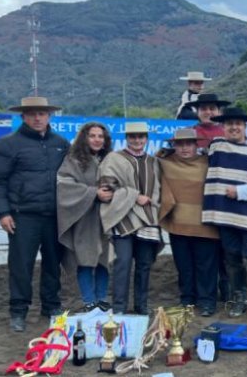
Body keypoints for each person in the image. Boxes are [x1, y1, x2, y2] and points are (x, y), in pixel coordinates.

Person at [0, 96, 70, 332]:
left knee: (53, 264)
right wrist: (3, 212)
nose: (37, 118)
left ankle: (51, 306)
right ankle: (18, 310)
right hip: (22, 215)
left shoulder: (61, 143)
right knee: (21, 265)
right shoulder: (8, 144)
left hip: (55, 216)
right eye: (32, 113)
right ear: (23, 116)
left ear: (49, 116)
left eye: (42, 113)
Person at [202, 108, 247, 322]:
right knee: (232, 260)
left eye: (238, 123)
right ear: (223, 127)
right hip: (225, 216)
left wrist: (241, 192)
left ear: (245, 127)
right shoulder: (215, 147)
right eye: (230, 123)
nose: (234, 127)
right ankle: (239, 298)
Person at [99, 121, 161, 315]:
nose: (137, 140)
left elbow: (158, 189)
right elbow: (107, 186)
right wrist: (134, 196)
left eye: (141, 136)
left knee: (144, 265)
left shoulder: (154, 162)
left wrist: (152, 207)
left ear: (146, 139)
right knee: (123, 264)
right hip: (122, 219)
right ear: (126, 138)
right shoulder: (113, 158)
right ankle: (119, 307)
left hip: (147, 220)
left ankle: (141, 305)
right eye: (133, 136)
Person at [158, 128, 220, 317]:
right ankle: (187, 299)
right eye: (180, 144)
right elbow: (151, 159)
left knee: (206, 266)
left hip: (205, 224)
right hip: (178, 224)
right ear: (174, 146)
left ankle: (207, 301)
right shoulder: (165, 163)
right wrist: (164, 152)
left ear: (196, 145)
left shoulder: (209, 163)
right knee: (184, 265)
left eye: (189, 144)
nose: (184, 148)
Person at [57, 122, 113, 313]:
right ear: (84, 138)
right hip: (84, 217)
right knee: (85, 258)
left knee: (105, 258)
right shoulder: (73, 160)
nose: (97, 139)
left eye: (101, 136)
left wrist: (114, 193)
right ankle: (88, 299)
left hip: (106, 218)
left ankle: (102, 297)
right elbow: (64, 184)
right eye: (93, 136)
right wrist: (93, 193)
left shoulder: (111, 159)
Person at [184, 93, 232, 302]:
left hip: (226, 198)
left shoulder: (228, 132)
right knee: (203, 250)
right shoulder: (190, 133)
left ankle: (228, 291)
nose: (208, 112)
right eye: (204, 108)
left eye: (212, 108)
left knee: (228, 249)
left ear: (219, 111)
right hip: (199, 199)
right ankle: (201, 292)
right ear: (198, 111)